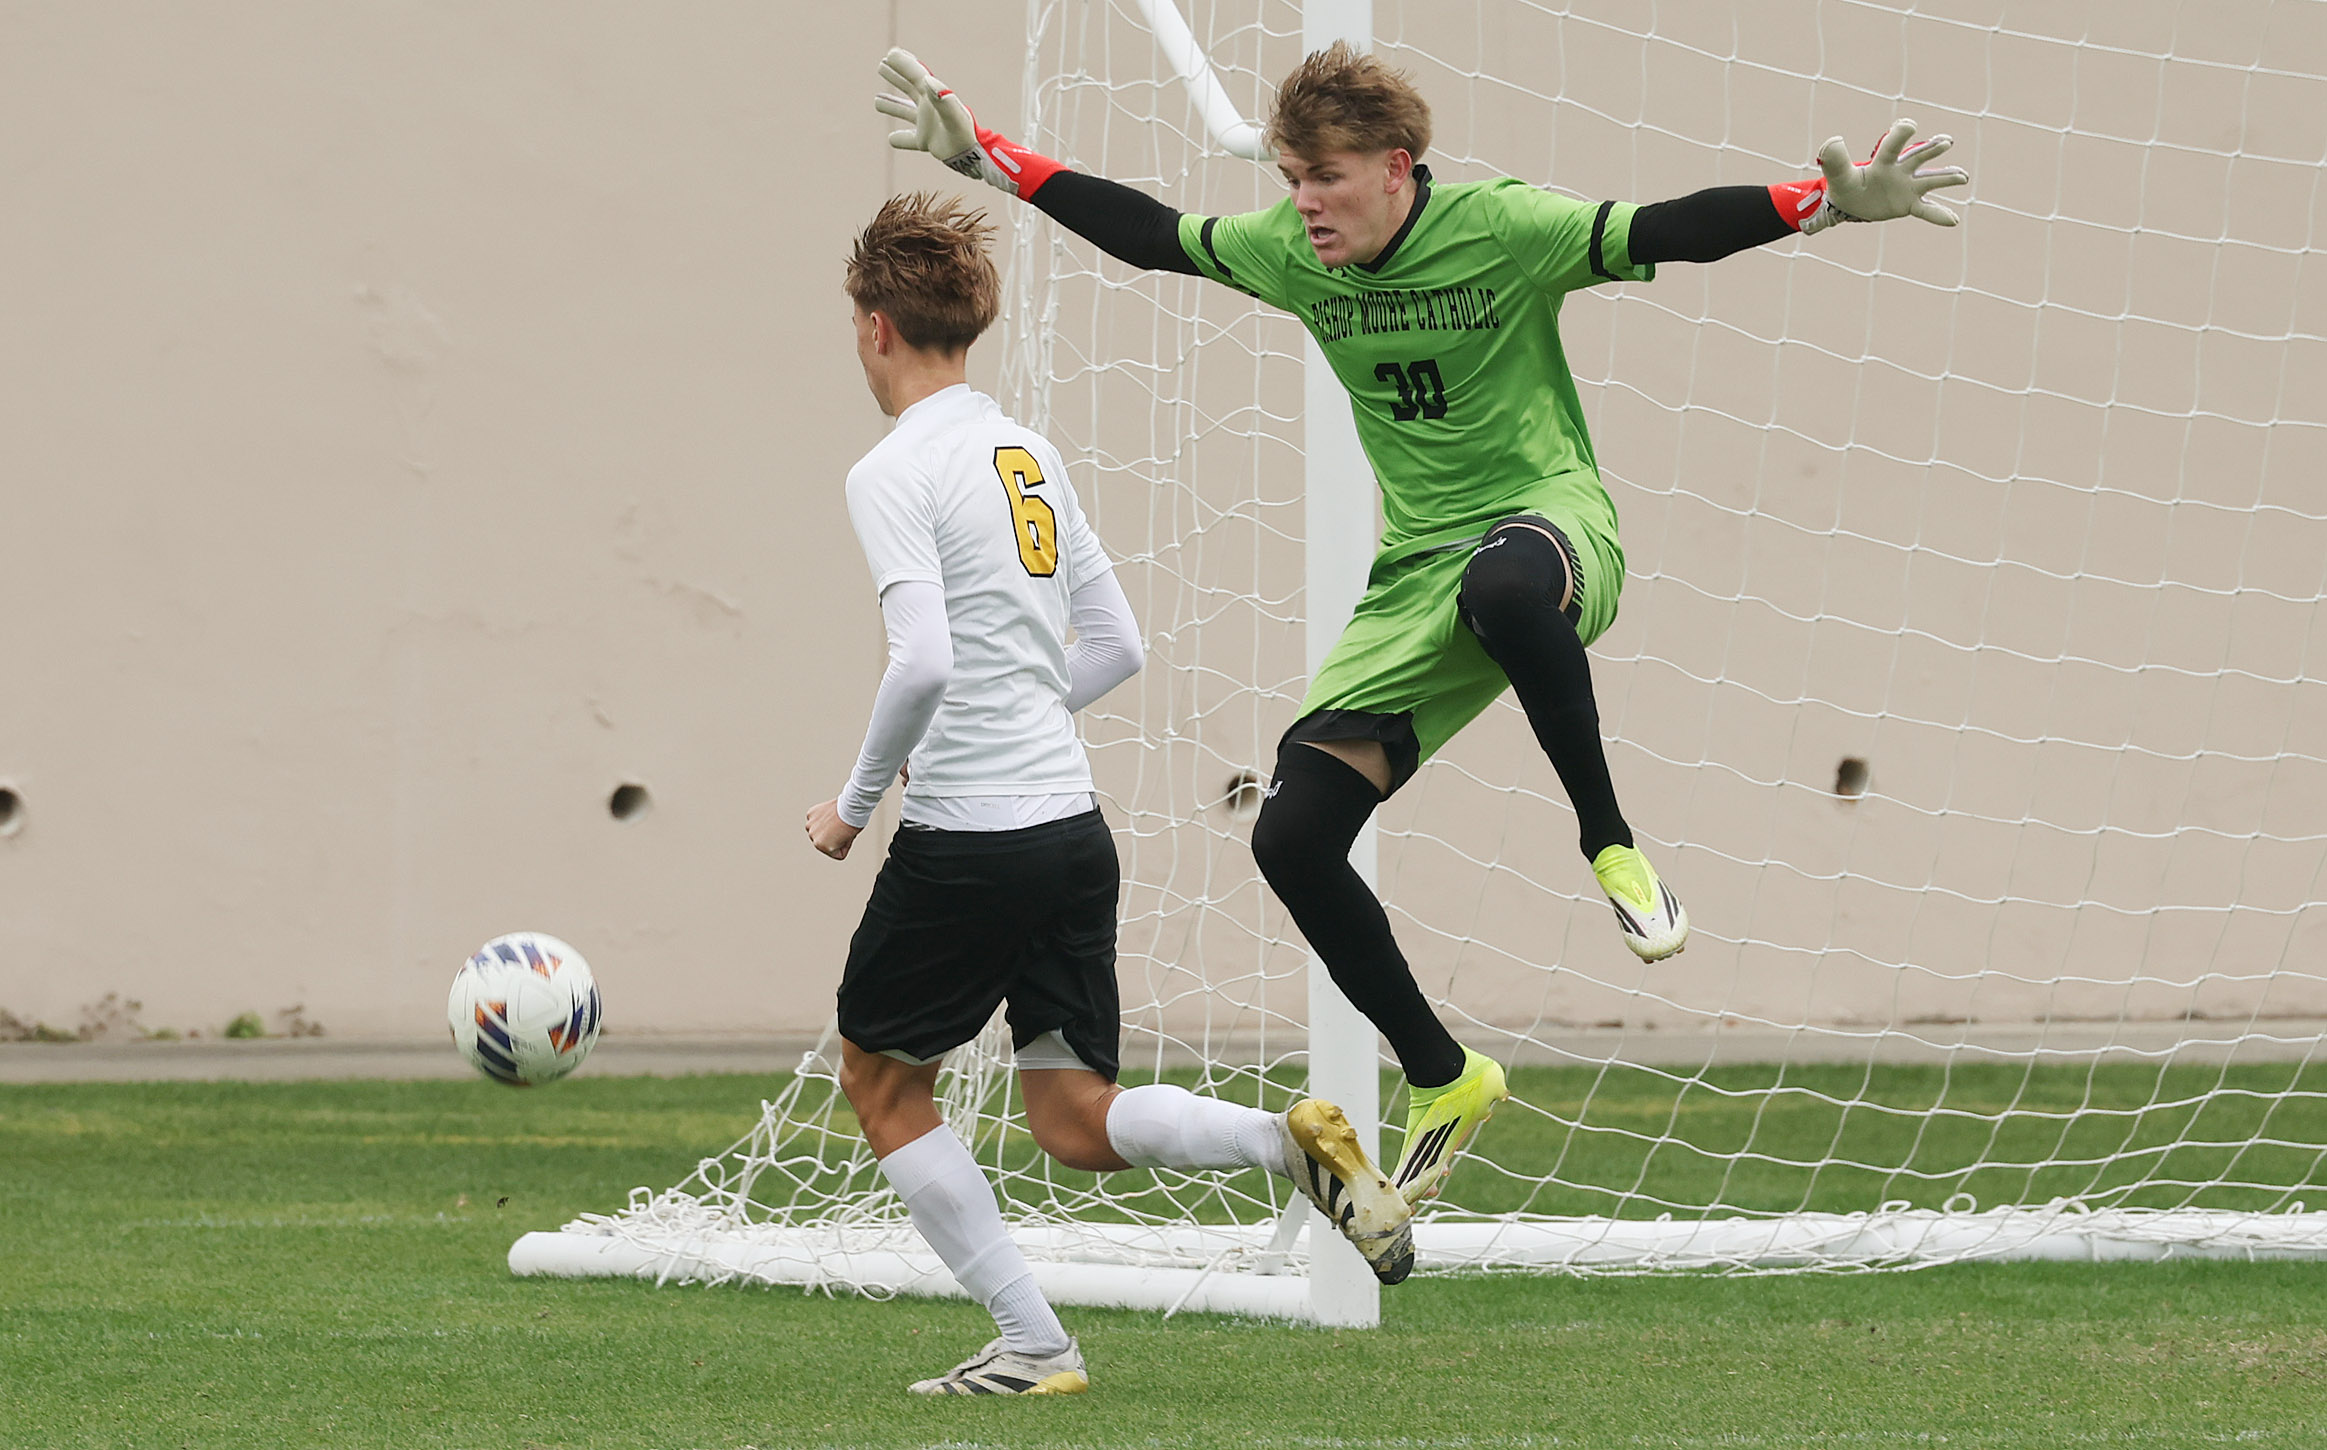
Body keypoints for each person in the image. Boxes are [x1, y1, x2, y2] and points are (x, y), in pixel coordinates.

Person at [874, 45, 1969, 1205]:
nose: (1301, 200)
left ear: (1396, 169)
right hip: (1414, 576)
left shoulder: (1502, 227)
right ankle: (1445, 1075)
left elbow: (1667, 228)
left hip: (1549, 529)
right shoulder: (1294, 253)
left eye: (1326, 177)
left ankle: (1609, 842)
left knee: (1499, 590)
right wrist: (986, 157)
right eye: (1291, 174)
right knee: (1289, 840)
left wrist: (1821, 206)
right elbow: (1150, 232)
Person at [806, 192, 1415, 1398]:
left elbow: (921, 658)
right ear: (966, 323)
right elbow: (1117, 644)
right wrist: (1026, 713)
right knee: (1073, 1117)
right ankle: (1274, 1142)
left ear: (875, 328)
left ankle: (1035, 1345)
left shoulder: (889, 470)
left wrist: (852, 803)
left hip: (969, 839)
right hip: (1071, 834)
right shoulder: (1024, 448)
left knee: (880, 1080)